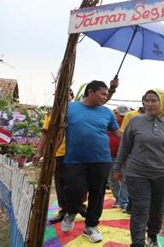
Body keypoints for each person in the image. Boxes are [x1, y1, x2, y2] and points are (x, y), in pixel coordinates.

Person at [113, 89, 164, 247]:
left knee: (157, 209)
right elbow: (125, 146)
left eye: (154, 100)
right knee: (140, 209)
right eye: (146, 100)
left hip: (162, 174)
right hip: (137, 173)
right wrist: (118, 167)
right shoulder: (135, 121)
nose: (149, 104)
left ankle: (152, 237)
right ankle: (138, 243)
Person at [60, 80, 122, 243]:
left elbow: (117, 133)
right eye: (102, 93)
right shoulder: (70, 108)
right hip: (74, 159)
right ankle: (71, 212)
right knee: (74, 188)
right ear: (90, 92)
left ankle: (91, 226)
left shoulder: (107, 112)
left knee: (97, 192)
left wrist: (134, 142)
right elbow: (57, 128)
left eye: (107, 94)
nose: (105, 97)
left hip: (101, 159)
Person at [32, 89, 88, 223]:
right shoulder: (52, 114)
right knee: (61, 183)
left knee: (79, 183)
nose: (62, 97)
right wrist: (39, 151)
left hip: (78, 154)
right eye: (58, 95)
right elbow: (45, 133)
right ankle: (64, 210)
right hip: (58, 154)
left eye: (66, 94)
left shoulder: (80, 111)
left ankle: (79, 206)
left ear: (72, 96)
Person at [108, 105, 130, 211]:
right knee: (113, 178)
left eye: (124, 116)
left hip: (126, 155)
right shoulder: (110, 123)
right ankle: (118, 199)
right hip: (111, 155)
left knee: (125, 178)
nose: (123, 117)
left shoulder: (130, 122)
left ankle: (124, 201)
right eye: (121, 115)